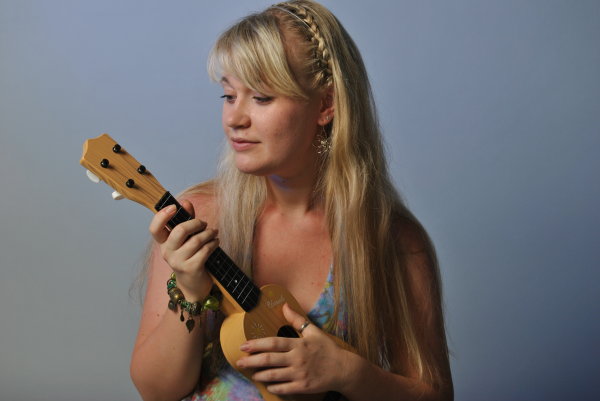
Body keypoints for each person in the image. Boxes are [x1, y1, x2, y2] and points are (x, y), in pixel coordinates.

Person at [130, 1, 453, 400]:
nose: (235, 119)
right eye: (229, 95)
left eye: (262, 97)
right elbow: (156, 391)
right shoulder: (199, 219)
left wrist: (349, 373)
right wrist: (190, 291)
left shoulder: (393, 241)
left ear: (326, 105)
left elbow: (435, 394)